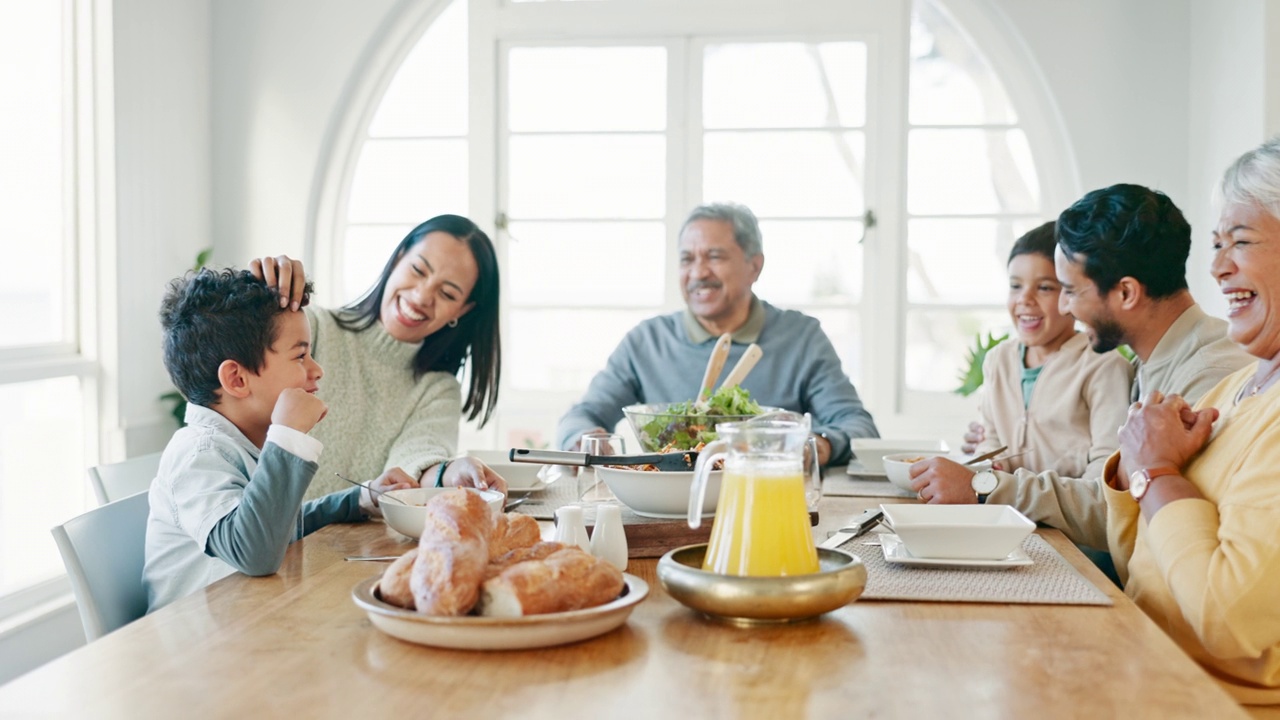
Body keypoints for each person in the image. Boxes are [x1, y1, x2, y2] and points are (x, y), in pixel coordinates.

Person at [910, 184, 1249, 552]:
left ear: (1126, 293)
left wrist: (984, 487)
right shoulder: (1150, 363)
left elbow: (1123, 514)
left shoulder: (1209, 377)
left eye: (1069, 291)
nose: (1065, 308)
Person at [1095, 137, 1280, 706]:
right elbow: (1143, 572)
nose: (1218, 267)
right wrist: (1135, 469)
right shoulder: (1237, 388)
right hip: (1141, 667)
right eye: (1217, 244)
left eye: (1240, 242)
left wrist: (1155, 467)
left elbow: (1223, 617)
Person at [144, 269, 411, 612]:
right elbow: (253, 551)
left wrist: (359, 499)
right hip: (194, 652)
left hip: (248, 626)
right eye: (300, 356)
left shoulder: (239, 444)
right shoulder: (198, 453)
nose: (317, 370)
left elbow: (279, 525)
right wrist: (287, 435)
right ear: (237, 379)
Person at [556, 202, 878, 465]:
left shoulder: (801, 337)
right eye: (687, 259)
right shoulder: (648, 341)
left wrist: (812, 447)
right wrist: (584, 439)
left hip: (766, 497)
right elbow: (581, 416)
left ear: (755, 266)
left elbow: (857, 426)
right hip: (669, 506)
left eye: (714, 256)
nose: (698, 273)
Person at [253, 214, 507, 500]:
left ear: (462, 310)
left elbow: (417, 460)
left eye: (447, 293)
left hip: (348, 545)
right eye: (418, 270)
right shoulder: (313, 330)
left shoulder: (436, 389)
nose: (422, 296)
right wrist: (258, 292)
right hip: (260, 536)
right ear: (398, 259)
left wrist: (450, 472)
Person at [966, 221, 1133, 481]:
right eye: (1015, 286)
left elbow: (1107, 466)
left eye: (1044, 287)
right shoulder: (998, 360)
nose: (1025, 299)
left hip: (1066, 519)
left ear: (1069, 294)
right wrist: (991, 462)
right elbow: (992, 439)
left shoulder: (1103, 366)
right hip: (1006, 513)